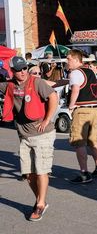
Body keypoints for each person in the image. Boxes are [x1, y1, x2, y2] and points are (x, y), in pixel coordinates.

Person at [0, 57, 58, 221]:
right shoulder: (10, 85)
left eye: (25, 68)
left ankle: (39, 204)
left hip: (42, 133)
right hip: (24, 135)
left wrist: (47, 119)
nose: (23, 72)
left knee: (41, 170)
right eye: (19, 69)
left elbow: (53, 97)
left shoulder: (37, 82)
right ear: (12, 71)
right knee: (28, 174)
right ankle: (41, 199)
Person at [67, 49, 97, 184]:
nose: (67, 61)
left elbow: (76, 89)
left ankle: (84, 173)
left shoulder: (75, 73)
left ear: (76, 60)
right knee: (93, 140)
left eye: (69, 59)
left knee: (79, 142)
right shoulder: (90, 71)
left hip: (82, 110)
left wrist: (71, 106)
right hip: (95, 109)